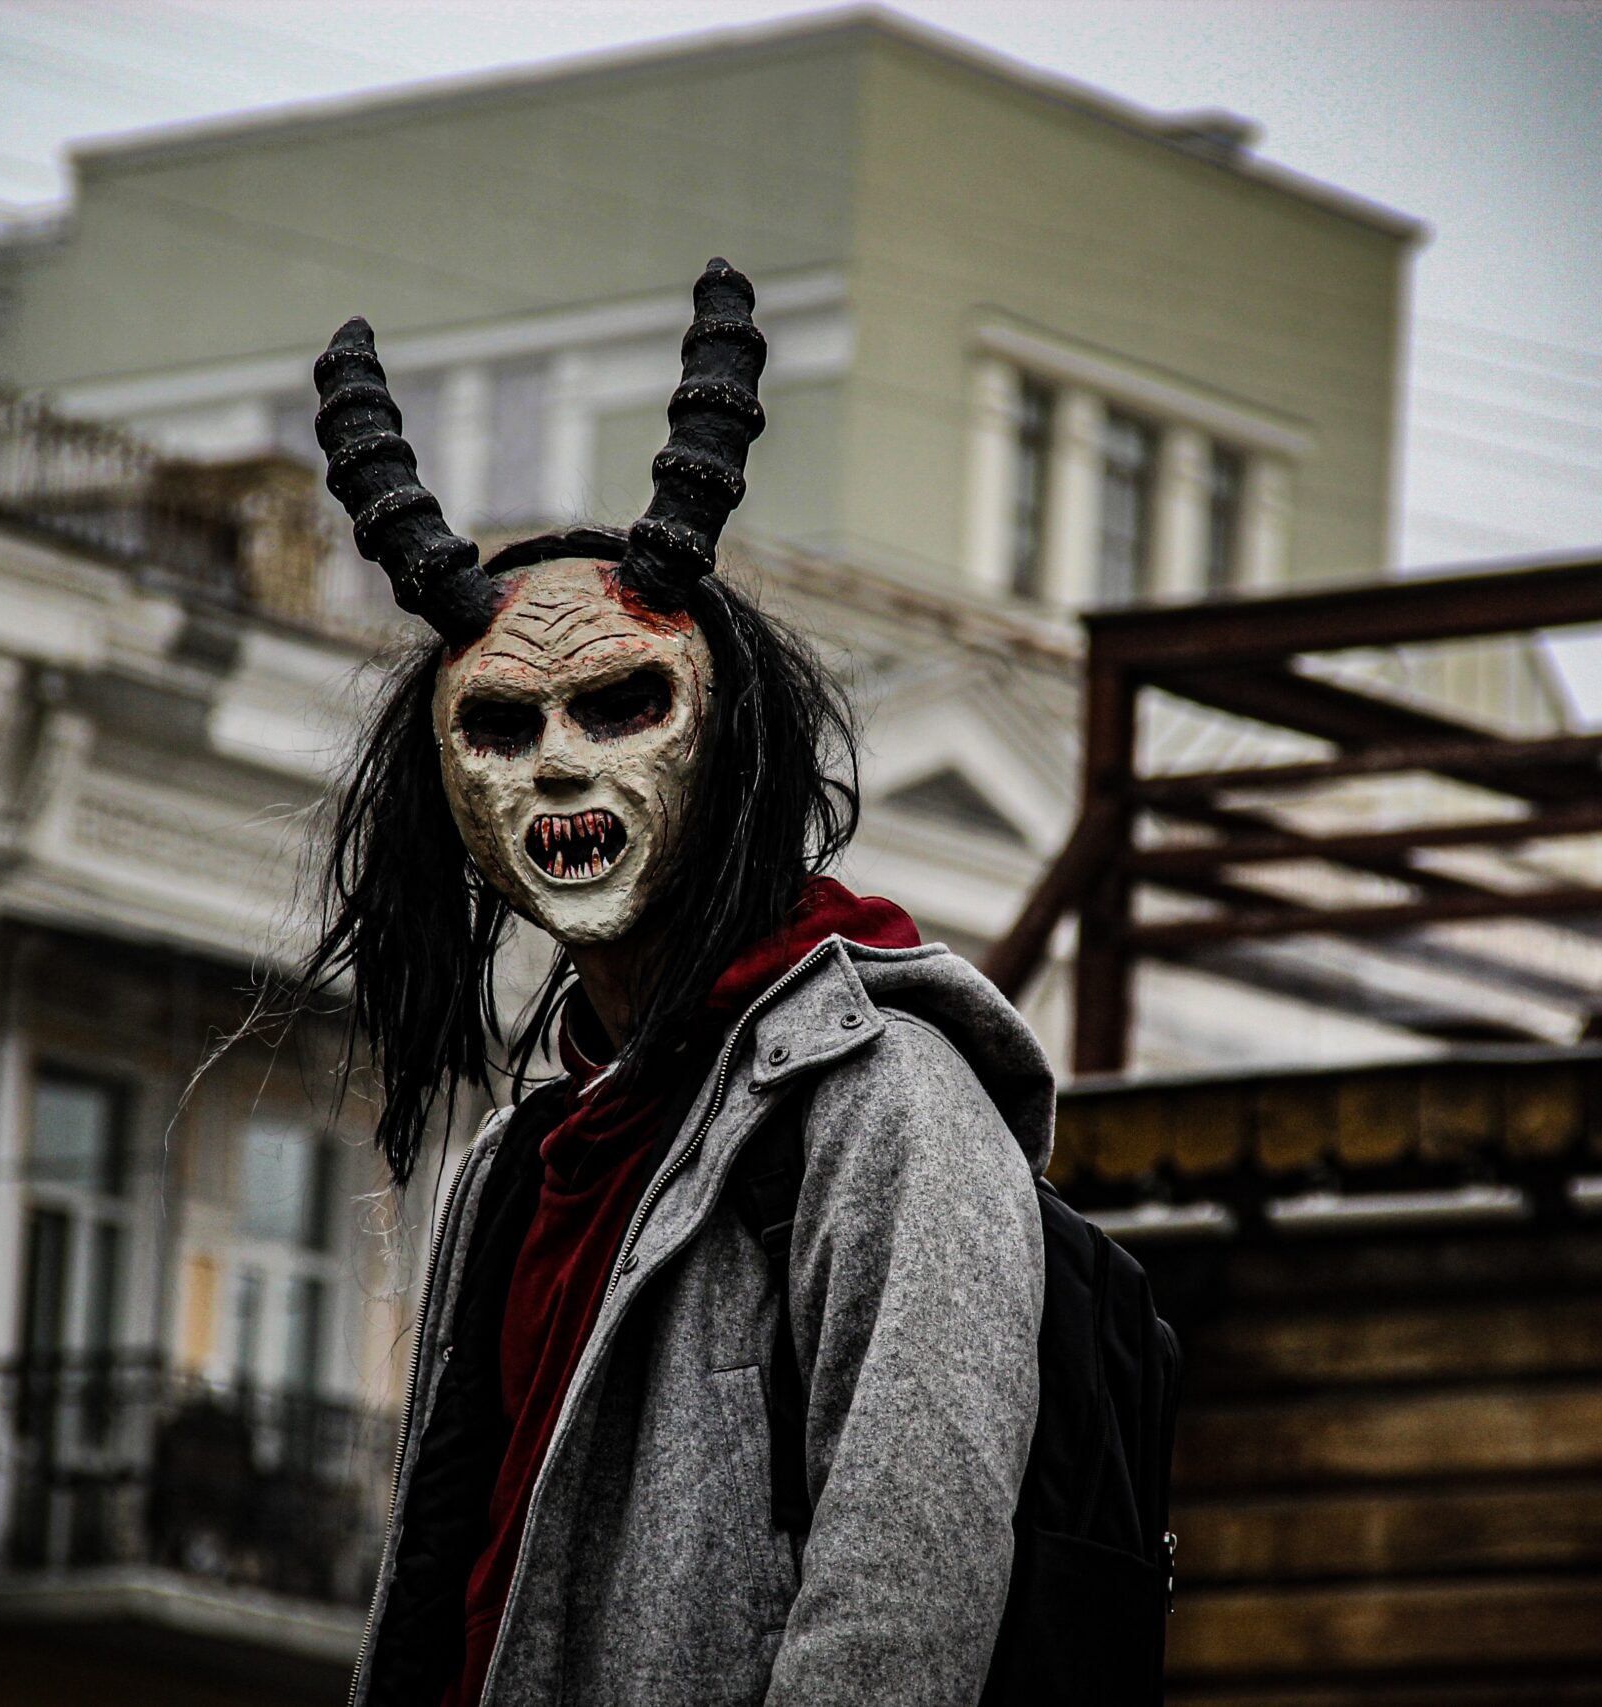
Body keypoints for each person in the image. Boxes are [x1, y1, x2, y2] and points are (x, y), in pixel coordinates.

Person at [297, 260, 1051, 1707]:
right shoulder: (519, 1163)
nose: (564, 766)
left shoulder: (888, 1108)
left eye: (622, 702)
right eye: (504, 727)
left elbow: (906, 1592)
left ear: (730, 741)